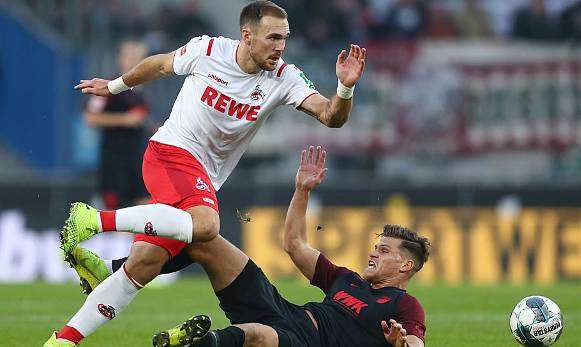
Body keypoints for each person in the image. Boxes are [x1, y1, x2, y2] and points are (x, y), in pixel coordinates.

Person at [45, 1, 367, 346]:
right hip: (170, 153)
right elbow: (160, 65)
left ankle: (63, 339)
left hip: (203, 178)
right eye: (273, 38)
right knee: (207, 226)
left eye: (284, 39)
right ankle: (93, 219)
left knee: (141, 266)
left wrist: (344, 88)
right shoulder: (209, 49)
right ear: (247, 35)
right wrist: (115, 86)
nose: (280, 47)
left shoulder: (284, 77)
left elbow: (331, 115)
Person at [69, 146, 430, 347]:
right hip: (282, 308)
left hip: (305, 343)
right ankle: (114, 270)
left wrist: (401, 345)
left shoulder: (404, 305)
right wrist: (302, 190)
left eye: (384, 251)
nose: (373, 252)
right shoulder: (348, 281)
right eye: (376, 246)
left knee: (255, 335)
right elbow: (294, 243)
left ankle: (196, 343)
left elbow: (416, 344)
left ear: (405, 267)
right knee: (202, 238)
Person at [85, 40, 150, 210]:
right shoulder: (109, 86)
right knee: (114, 208)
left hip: (139, 157)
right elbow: (91, 118)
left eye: (138, 57)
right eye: (129, 56)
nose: (134, 61)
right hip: (115, 157)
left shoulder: (144, 89)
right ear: (120, 59)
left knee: (144, 204)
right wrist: (124, 119)